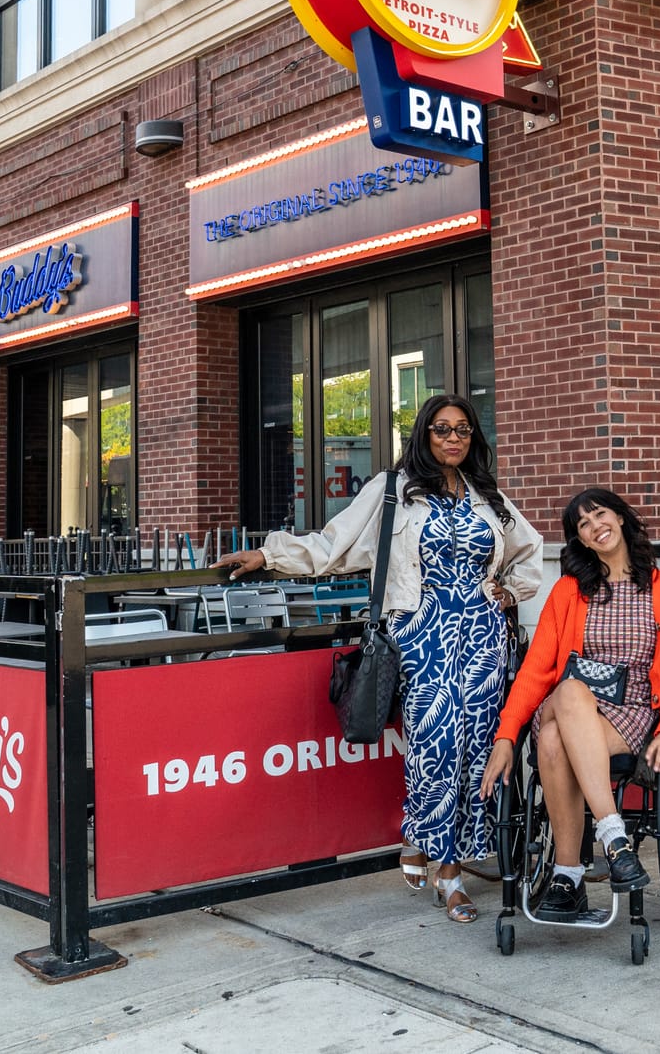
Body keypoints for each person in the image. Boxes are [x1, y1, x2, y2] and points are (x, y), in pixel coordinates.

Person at [215, 394, 542, 923]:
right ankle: (448, 872)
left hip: (483, 637)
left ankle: (435, 850)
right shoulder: (392, 491)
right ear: (424, 434)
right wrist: (270, 555)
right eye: (442, 429)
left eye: (463, 430)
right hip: (421, 632)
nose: (453, 438)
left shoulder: (488, 495)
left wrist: (507, 590)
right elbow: (331, 545)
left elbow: (529, 550)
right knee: (435, 746)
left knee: (477, 750)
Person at [478, 488, 660, 921]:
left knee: (557, 735)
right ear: (578, 540)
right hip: (569, 703)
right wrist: (506, 737)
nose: (595, 526)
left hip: (631, 713)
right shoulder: (568, 592)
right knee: (570, 693)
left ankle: (568, 875)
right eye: (583, 524)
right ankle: (614, 839)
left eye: (599, 515)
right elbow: (537, 670)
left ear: (620, 517)